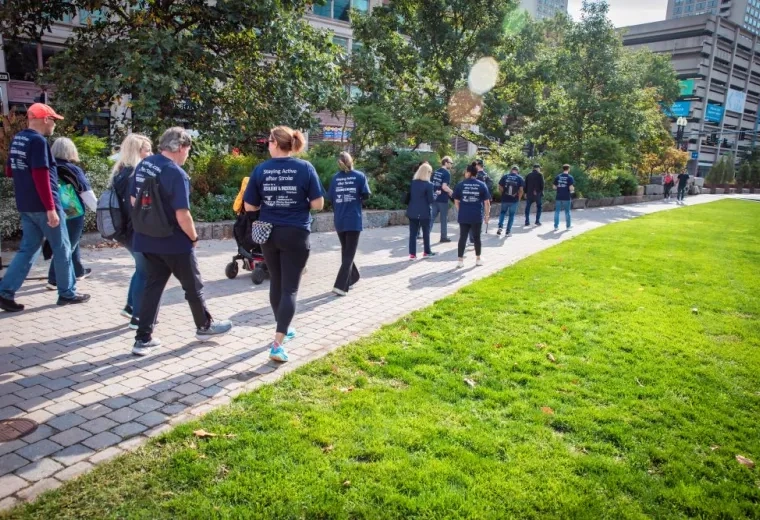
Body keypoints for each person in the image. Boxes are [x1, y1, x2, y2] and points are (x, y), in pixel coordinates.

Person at [130, 127, 232, 356]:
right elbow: (182, 214)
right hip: (173, 241)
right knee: (193, 286)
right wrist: (194, 237)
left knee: (153, 287)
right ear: (180, 148)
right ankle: (204, 326)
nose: (187, 155)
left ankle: (142, 339)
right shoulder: (176, 173)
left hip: (146, 239)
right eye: (188, 150)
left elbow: (133, 199)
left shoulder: (144, 165)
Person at [244, 126, 324, 363]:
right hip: (296, 233)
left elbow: (249, 206)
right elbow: (318, 203)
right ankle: (278, 343)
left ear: (276, 143)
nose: (267, 145)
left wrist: (271, 203)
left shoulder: (261, 170)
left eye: (268, 141)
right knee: (289, 288)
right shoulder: (305, 168)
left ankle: (283, 327)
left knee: (277, 283)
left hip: (268, 233)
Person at [0, 103, 90, 312]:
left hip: (26, 204)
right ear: (46, 119)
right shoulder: (39, 142)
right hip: (44, 206)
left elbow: (10, 171)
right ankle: (67, 293)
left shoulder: (18, 139)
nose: (55, 125)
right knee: (62, 248)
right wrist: (51, 209)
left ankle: (5, 291)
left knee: (28, 249)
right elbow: (41, 177)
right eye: (54, 120)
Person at [111, 133, 153, 328]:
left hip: (125, 230)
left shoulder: (121, 172)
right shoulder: (134, 175)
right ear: (137, 152)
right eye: (147, 150)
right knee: (146, 272)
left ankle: (130, 307)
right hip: (135, 230)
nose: (150, 153)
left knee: (141, 269)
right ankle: (138, 316)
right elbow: (136, 208)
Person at [45, 138, 97, 290]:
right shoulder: (72, 169)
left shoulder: (48, 167)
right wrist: (99, 210)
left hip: (53, 210)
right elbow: (86, 192)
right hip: (73, 211)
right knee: (67, 246)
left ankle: (78, 271)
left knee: (68, 242)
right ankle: (54, 279)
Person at [328, 152, 370, 296]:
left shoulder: (335, 179)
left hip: (339, 219)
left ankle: (353, 276)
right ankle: (341, 286)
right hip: (353, 219)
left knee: (346, 251)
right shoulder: (359, 176)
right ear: (351, 161)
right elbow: (366, 195)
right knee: (348, 254)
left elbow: (331, 199)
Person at [454, 162, 490, 268]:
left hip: (464, 215)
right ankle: (478, 259)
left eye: (466, 172)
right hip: (476, 215)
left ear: (469, 173)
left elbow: (456, 201)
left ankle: (460, 261)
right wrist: (487, 216)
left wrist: (461, 210)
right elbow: (487, 202)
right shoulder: (481, 185)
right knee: (477, 238)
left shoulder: (461, 184)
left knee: (462, 237)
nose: (465, 173)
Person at [406, 162, 436, 260]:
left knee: (413, 234)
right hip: (424, 212)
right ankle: (426, 252)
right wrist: (437, 194)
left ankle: (412, 254)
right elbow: (431, 200)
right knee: (426, 233)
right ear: (427, 173)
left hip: (413, 211)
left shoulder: (413, 183)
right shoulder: (429, 185)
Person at [430, 156, 454, 242]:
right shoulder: (446, 173)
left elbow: (431, 185)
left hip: (434, 198)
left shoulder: (436, 172)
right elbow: (444, 187)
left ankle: (426, 234)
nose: (451, 165)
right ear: (446, 163)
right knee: (443, 219)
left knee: (432, 217)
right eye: (451, 163)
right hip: (443, 199)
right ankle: (443, 237)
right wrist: (451, 191)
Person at [497, 165, 524, 237]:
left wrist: (502, 193)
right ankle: (508, 232)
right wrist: (519, 199)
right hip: (514, 200)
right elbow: (521, 190)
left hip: (505, 199)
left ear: (511, 170)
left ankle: (500, 226)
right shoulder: (519, 178)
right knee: (511, 215)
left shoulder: (505, 176)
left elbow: (499, 186)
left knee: (502, 213)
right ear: (517, 171)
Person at [471, 159, 493, 241]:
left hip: (475, 198)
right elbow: (490, 185)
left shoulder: (476, 175)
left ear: (478, 165)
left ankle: (474, 235)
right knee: (480, 215)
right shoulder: (486, 175)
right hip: (483, 198)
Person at [553, 164, 575, 231]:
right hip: (566, 197)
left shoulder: (558, 176)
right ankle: (568, 227)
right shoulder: (570, 177)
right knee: (567, 212)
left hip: (558, 196)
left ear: (563, 169)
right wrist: (572, 190)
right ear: (568, 169)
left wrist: (560, 188)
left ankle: (556, 226)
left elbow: (554, 187)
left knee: (557, 212)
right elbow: (571, 188)